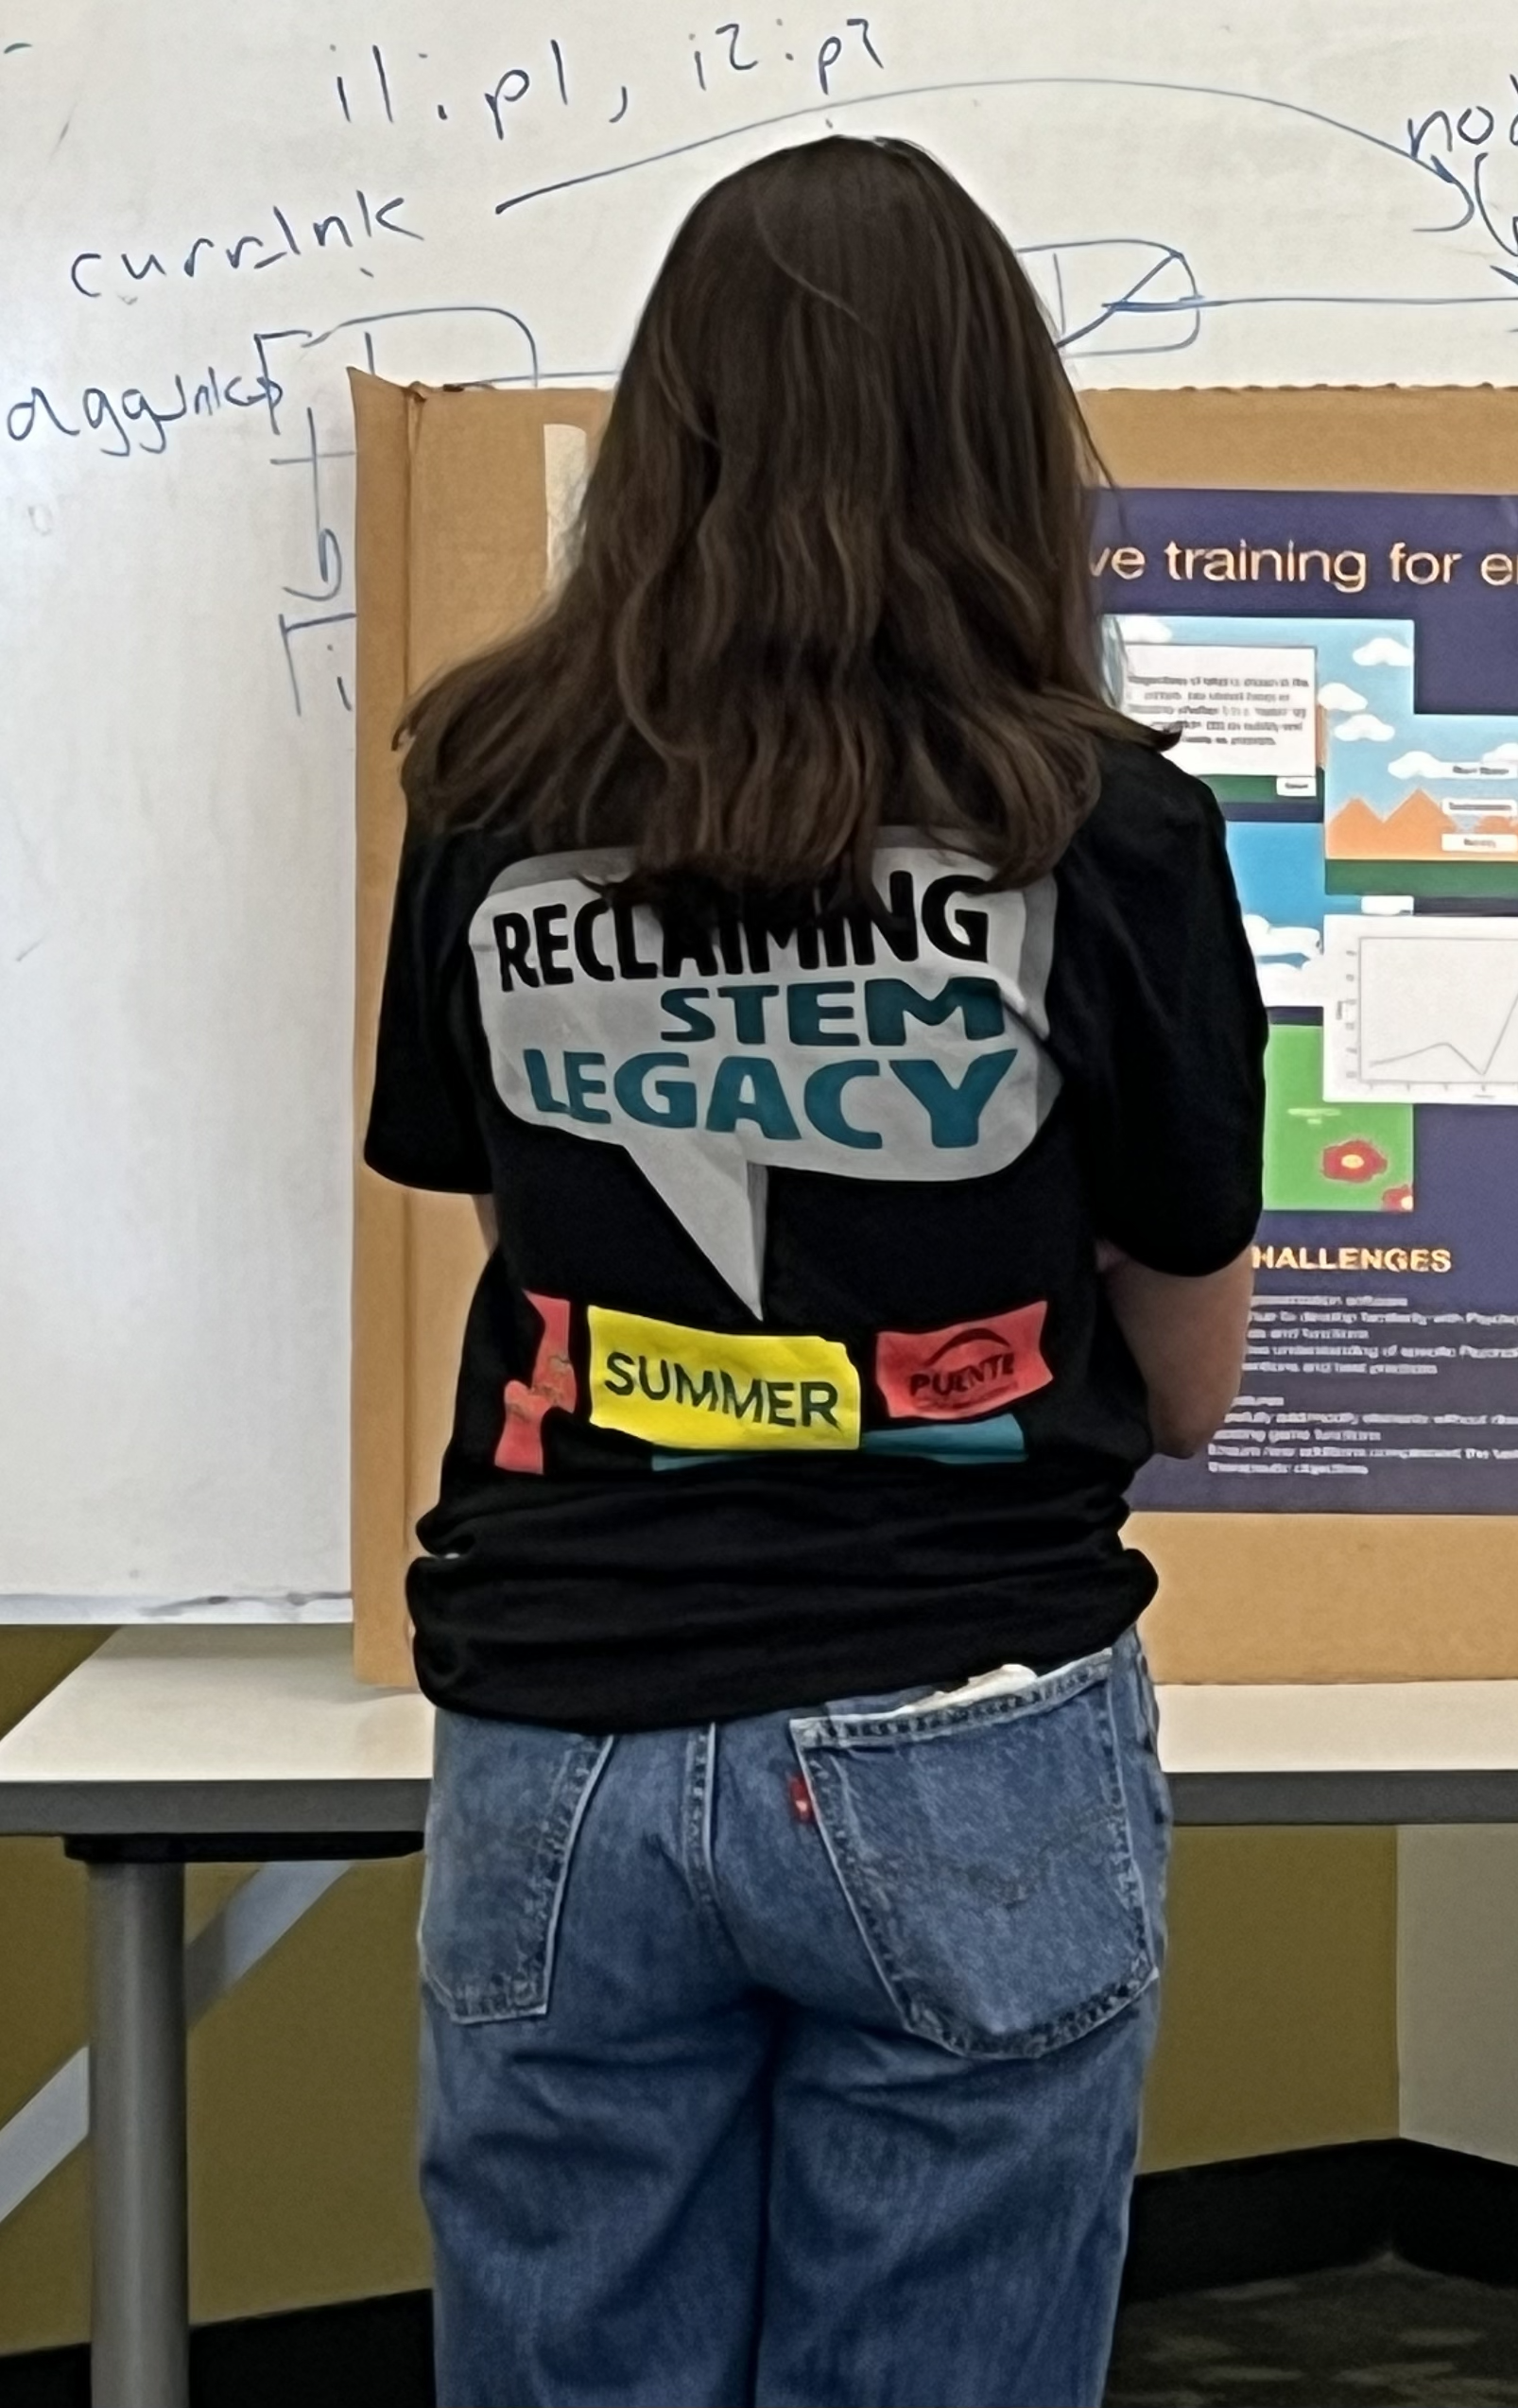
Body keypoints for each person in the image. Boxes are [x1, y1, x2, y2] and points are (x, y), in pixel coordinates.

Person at [363, 134, 1266, 2408]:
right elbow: (1187, 1385)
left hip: (560, 1729)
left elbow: (515, 1230)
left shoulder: (484, 788)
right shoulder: (1111, 830)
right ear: (1003, 443)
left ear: (663, 438)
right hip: (965, 1726)